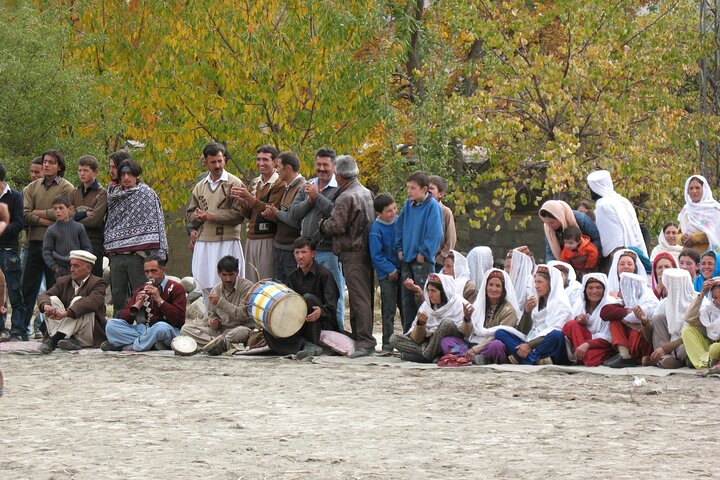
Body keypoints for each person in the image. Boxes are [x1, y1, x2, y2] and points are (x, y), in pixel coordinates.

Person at [320, 155, 376, 358]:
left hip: (353, 252)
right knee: (363, 296)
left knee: (359, 297)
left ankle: (365, 340)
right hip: (365, 250)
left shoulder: (346, 196)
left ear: (339, 174)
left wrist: (322, 224)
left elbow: (337, 225)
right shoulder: (366, 192)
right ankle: (361, 336)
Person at [284, 148, 345, 329]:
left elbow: (335, 212)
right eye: (318, 164)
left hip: (329, 251)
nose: (322, 168)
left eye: (325, 164)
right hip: (306, 252)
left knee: (334, 295)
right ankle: (307, 331)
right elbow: (293, 213)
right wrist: (309, 200)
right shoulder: (307, 185)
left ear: (333, 166)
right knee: (305, 295)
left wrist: (317, 197)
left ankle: (336, 331)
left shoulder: (339, 188)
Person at [18, 150, 74, 341]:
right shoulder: (32, 187)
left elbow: (66, 214)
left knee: (55, 289)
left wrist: (39, 213)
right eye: (45, 162)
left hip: (58, 246)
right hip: (34, 243)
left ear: (59, 166)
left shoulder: (67, 188)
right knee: (28, 288)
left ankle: (49, 330)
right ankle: (21, 328)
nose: (46, 165)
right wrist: (47, 221)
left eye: (51, 162)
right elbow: (25, 214)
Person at [104, 156, 168, 310]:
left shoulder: (146, 194)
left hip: (137, 257)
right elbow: (110, 222)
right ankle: (119, 330)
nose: (126, 178)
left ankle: (143, 331)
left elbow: (157, 223)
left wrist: (156, 256)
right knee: (118, 298)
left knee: (142, 298)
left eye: (130, 174)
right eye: (123, 174)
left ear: (137, 175)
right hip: (117, 257)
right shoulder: (113, 195)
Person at [262, 236, 340, 359]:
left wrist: (321, 311)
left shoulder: (325, 274)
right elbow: (288, 304)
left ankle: (307, 344)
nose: (300, 256)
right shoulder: (293, 276)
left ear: (313, 254)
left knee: (308, 299)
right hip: (299, 322)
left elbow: (332, 305)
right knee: (267, 329)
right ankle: (305, 346)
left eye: (304, 252)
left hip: (321, 321)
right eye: (297, 253)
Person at [186, 142, 245, 299]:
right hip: (204, 242)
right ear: (205, 162)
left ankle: (231, 319)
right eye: (213, 162)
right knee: (205, 285)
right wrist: (197, 217)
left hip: (226, 241)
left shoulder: (234, 183)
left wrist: (210, 216)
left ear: (225, 160)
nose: (217, 165)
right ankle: (209, 318)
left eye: (220, 161)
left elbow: (239, 215)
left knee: (229, 283)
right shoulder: (200, 186)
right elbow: (190, 214)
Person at [102, 255, 186, 352]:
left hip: (168, 330)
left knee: (161, 327)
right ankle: (150, 344)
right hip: (145, 330)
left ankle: (129, 347)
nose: (150, 275)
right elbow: (124, 320)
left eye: (154, 271)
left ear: (164, 270)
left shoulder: (176, 288)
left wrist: (160, 300)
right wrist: (136, 305)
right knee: (111, 325)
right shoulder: (142, 289)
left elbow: (179, 320)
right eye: (147, 272)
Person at [393, 170, 443, 332]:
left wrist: (424, 252)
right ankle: (409, 334)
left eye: (413, 188)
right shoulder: (408, 204)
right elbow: (399, 227)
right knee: (407, 299)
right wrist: (399, 248)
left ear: (424, 190)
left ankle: (425, 334)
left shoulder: (432, 207)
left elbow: (435, 233)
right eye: (408, 188)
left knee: (424, 298)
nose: (409, 191)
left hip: (422, 260)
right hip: (407, 258)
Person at [495, 265, 573, 365]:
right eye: (535, 282)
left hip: (549, 347)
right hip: (531, 343)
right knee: (500, 333)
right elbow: (523, 331)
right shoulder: (536, 302)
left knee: (556, 335)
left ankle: (527, 359)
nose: (536, 286)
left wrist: (529, 345)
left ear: (551, 284)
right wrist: (527, 312)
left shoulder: (562, 305)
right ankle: (534, 360)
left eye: (540, 282)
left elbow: (555, 330)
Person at [390, 273, 472, 362]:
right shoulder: (426, 306)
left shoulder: (460, 304)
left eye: (433, 291)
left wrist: (467, 319)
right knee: (394, 339)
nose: (429, 295)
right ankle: (433, 355)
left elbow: (467, 334)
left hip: (452, 344)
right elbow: (416, 339)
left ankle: (425, 357)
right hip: (429, 344)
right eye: (428, 290)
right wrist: (420, 324)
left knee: (447, 323)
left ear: (444, 292)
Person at [36, 250, 107, 353]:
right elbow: (44, 295)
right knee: (52, 300)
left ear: (88, 268)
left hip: (86, 334)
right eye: (71, 265)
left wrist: (66, 313)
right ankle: (63, 339)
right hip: (67, 334)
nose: (72, 269)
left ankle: (54, 340)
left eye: (76, 266)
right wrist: (46, 306)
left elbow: (92, 302)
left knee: (79, 302)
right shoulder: (64, 281)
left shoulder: (98, 283)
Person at [181, 255, 254, 355]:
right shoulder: (216, 289)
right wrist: (213, 322)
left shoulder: (247, 287)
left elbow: (242, 315)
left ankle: (215, 344)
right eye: (224, 275)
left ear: (237, 272)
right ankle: (220, 344)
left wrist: (221, 302)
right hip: (221, 332)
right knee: (185, 329)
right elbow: (211, 315)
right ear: (218, 273)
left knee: (242, 332)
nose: (228, 279)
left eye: (231, 274)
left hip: (238, 329)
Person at [231, 145, 284, 282]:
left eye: (265, 160)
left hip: (268, 237)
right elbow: (250, 213)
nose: (261, 163)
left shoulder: (279, 183)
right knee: (251, 281)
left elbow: (270, 211)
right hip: (251, 237)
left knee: (266, 281)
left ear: (275, 162)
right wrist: (242, 202)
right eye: (258, 159)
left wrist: (249, 197)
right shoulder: (255, 182)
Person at [600, 250, 659, 368]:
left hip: (644, 336)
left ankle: (634, 356)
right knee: (615, 319)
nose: (626, 267)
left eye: (629, 264)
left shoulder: (646, 292)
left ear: (635, 268)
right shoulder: (611, 288)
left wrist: (629, 313)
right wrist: (628, 311)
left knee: (635, 321)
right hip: (624, 336)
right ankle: (624, 355)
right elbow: (605, 312)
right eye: (622, 264)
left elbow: (643, 313)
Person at [260, 151, 306, 285]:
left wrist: (277, 213)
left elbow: (296, 220)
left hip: (291, 249)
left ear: (288, 168)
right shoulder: (287, 186)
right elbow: (284, 216)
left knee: (292, 290)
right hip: (280, 246)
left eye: (278, 167)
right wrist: (272, 215)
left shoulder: (302, 187)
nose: (276, 170)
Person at [462, 269, 522, 364]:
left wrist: (476, 349)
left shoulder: (508, 311)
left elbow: (498, 336)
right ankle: (468, 356)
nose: (493, 289)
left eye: (498, 286)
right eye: (490, 285)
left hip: (488, 346)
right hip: (472, 344)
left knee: (496, 345)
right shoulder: (479, 305)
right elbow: (466, 334)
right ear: (486, 287)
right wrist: (467, 319)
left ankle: (479, 358)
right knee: (447, 341)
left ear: (503, 290)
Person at [586, 170, 648, 260]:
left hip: (618, 255)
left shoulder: (602, 205)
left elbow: (610, 241)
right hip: (634, 250)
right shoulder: (622, 200)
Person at [369, 193, 401, 353]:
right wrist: (390, 269)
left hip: (402, 270)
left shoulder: (399, 221)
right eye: (389, 211)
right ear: (379, 213)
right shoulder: (376, 229)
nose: (393, 212)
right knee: (388, 310)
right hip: (386, 275)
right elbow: (376, 255)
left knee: (405, 307)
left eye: (394, 208)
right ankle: (388, 343)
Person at [561, 273, 614, 367]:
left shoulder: (610, 305)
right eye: (590, 288)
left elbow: (608, 337)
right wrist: (579, 320)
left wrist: (587, 344)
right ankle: (580, 355)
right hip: (582, 341)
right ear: (584, 290)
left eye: (598, 288)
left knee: (590, 358)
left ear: (604, 289)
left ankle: (582, 356)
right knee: (571, 324)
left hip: (600, 345)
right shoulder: (579, 304)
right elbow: (567, 328)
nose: (594, 291)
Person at [645, 268, 694, 369]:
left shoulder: (697, 302)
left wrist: (665, 348)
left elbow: (692, 335)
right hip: (667, 345)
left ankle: (669, 360)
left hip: (683, 344)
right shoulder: (664, 303)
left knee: (685, 349)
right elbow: (653, 334)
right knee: (657, 318)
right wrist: (644, 322)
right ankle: (665, 359)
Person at [70, 155, 107, 277]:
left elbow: (95, 220)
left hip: (94, 241)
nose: (82, 173)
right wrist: (85, 214)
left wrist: (75, 217)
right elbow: (67, 216)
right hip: (74, 240)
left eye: (86, 170)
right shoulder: (74, 192)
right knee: (74, 277)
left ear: (95, 172)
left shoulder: (102, 194)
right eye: (80, 170)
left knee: (93, 277)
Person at [0, 161, 24, 342]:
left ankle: (17, 329)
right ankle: (1, 328)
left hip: (9, 249)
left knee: (15, 289)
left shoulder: (15, 196)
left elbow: (19, 223)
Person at [42, 195, 92, 280]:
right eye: (55, 208)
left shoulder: (79, 227)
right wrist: (55, 267)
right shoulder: (51, 230)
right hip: (60, 269)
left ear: (69, 209)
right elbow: (46, 251)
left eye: (61, 208)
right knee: (62, 292)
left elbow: (87, 248)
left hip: (77, 267)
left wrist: (83, 264)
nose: (58, 211)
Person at [682, 277, 720, 369]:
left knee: (715, 348)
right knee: (687, 331)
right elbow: (689, 318)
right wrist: (702, 294)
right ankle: (705, 363)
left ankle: (704, 361)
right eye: (715, 298)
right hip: (709, 349)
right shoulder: (708, 311)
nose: (718, 302)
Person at [678, 174, 720, 254]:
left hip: (708, 256)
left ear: (704, 189)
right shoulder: (686, 210)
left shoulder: (715, 209)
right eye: (691, 188)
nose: (694, 191)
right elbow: (679, 233)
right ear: (687, 191)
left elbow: (716, 233)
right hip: (688, 257)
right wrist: (682, 238)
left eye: (697, 188)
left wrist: (694, 238)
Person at [428, 175, 457, 272]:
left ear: (440, 194)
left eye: (431, 188)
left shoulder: (445, 212)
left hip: (438, 261)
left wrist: (440, 259)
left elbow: (451, 240)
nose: (428, 191)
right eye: (426, 188)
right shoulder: (421, 211)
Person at [508, 246, 535, 313]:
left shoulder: (530, 282)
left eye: (530, 255)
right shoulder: (503, 280)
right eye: (506, 266)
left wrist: (526, 310)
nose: (507, 270)